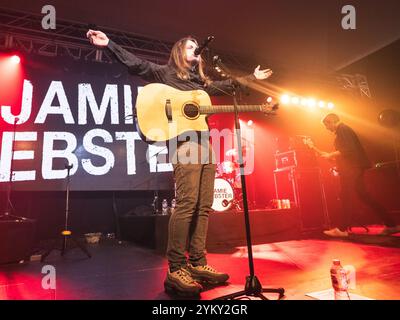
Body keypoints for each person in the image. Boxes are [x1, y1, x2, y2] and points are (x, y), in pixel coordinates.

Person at [86, 29, 273, 296]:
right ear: (178, 52)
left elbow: (227, 87)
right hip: (184, 143)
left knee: (204, 205)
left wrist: (251, 78)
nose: (195, 50)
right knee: (187, 203)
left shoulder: (201, 84)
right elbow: (137, 64)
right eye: (190, 46)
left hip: (206, 143)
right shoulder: (166, 73)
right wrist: (109, 44)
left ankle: (197, 262)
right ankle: (176, 268)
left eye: (196, 47)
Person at [308, 113, 400, 237]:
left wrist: (331, 155)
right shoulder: (343, 131)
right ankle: (391, 225)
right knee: (364, 196)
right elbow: (346, 153)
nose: (326, 128)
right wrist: (322, 152)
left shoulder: (343, 129)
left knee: (345, 195)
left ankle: (342, 229)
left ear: (331, 122)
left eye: (326, 125)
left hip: (352, 168)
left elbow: (349, 149)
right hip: (355, 167)